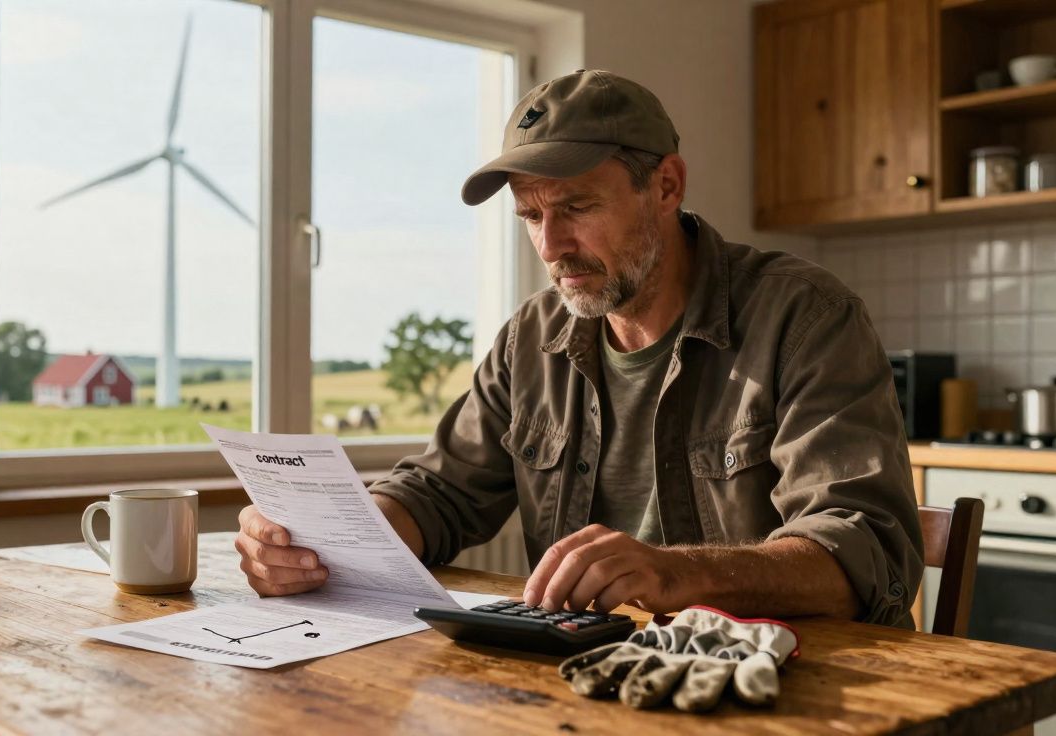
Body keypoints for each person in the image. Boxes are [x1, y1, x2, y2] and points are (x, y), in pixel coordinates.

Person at [234, 70, 923, 627]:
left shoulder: (804, 317)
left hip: (796, 688)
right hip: (597, 681)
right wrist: (323, 540)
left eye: (577, 208)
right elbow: (440, 493)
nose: (551, 246)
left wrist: (676, 573)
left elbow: (865, 551)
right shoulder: (531, 339)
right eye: (531, 216)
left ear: (666, 186)